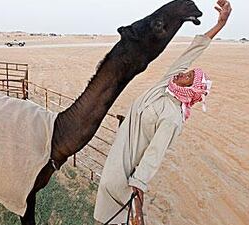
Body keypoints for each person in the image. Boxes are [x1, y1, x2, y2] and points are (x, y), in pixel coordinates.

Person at [94, 0, 232, 224]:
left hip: (126, 168)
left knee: (115, 211)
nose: (182, 74)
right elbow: (192, 51)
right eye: (185, 72)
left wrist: (139, 183)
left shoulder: (173, 117)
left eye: (188, 76)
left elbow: (154, 154)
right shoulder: (165, 86)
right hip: (115, 154)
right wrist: (220, 25)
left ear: (192, 89)